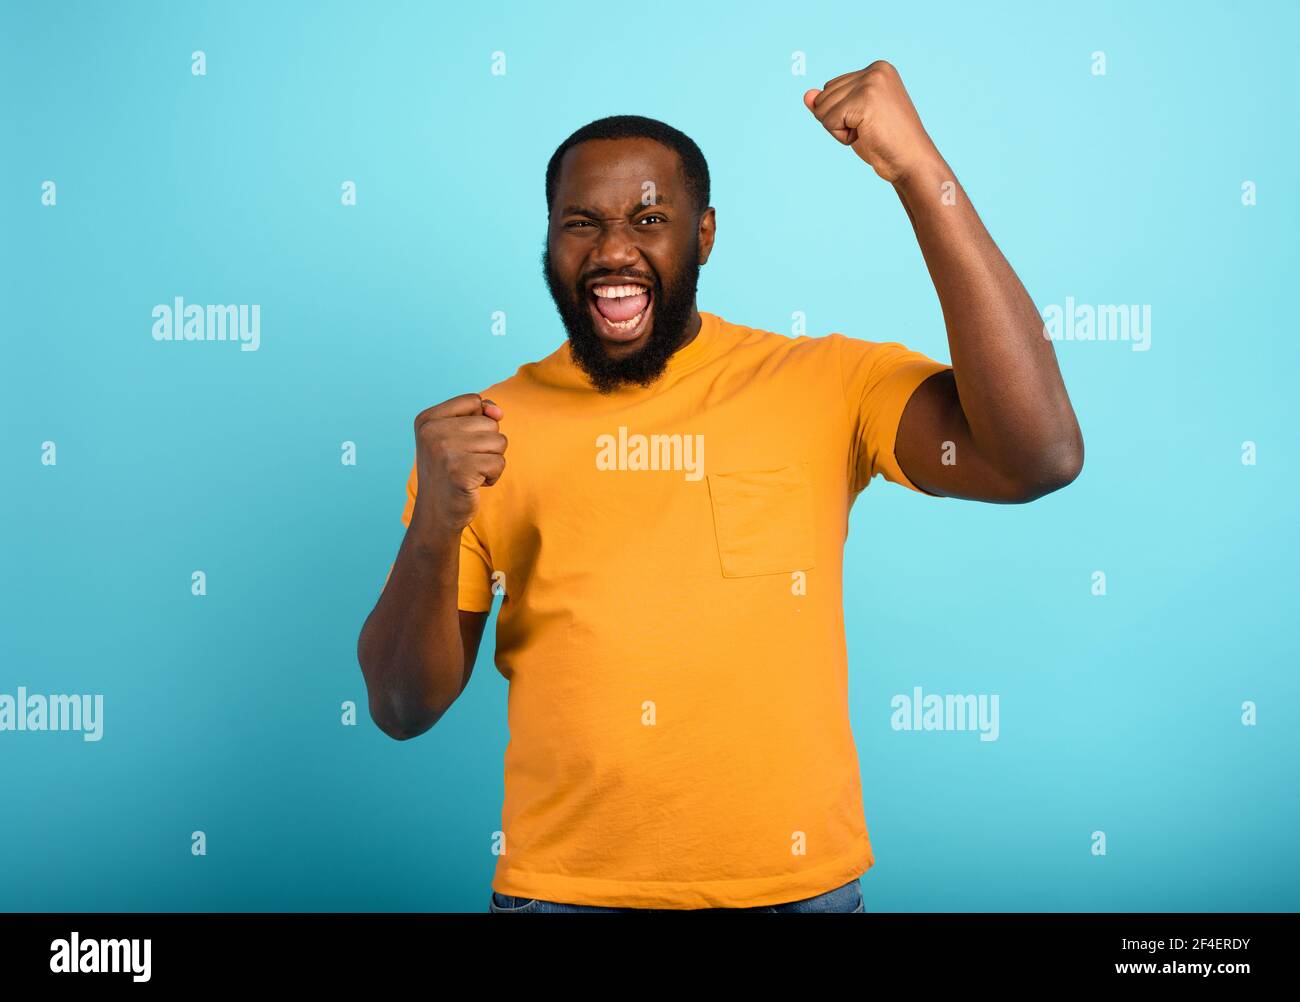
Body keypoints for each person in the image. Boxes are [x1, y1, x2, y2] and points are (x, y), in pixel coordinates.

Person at [356, 60, 1083, 913]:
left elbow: (1038, 456)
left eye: (650, 219)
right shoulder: (479, 436)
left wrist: (920, 171)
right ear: (548, 242)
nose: (613, 251)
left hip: (796, 893)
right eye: (579, 224)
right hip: (563, 897)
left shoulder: (824, 382)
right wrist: (434, 528)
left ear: (703, 237)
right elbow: (403, 706)